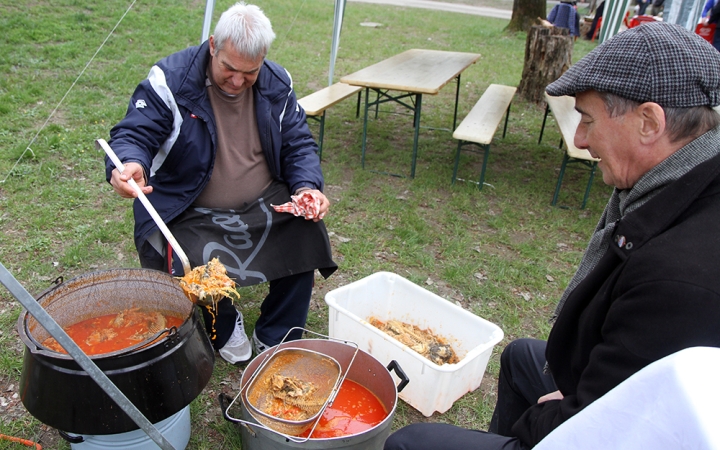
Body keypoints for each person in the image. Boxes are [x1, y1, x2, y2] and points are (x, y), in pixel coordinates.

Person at [384, 22, 720, 450]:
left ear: (649, 122)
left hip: (629, 431)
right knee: (521, 356)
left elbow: (607, 424)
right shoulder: (685, 181)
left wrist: (564, 406)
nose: (580, 139)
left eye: (588, 119)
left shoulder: (679, 279)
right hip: (614, 387)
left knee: (410, 443)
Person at [105, 2, 337, 365]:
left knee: (306, 231)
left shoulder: (277, 82)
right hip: (190, 203)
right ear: (213, 45)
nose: (237, 81)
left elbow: (298, 143)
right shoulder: (171, 79)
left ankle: (278, 331)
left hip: (263, 200)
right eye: (229, 68)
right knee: (194, 258)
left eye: (250, 72)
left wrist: (308, 185)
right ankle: (225, 325)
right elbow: (135, 131)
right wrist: (130, 163)